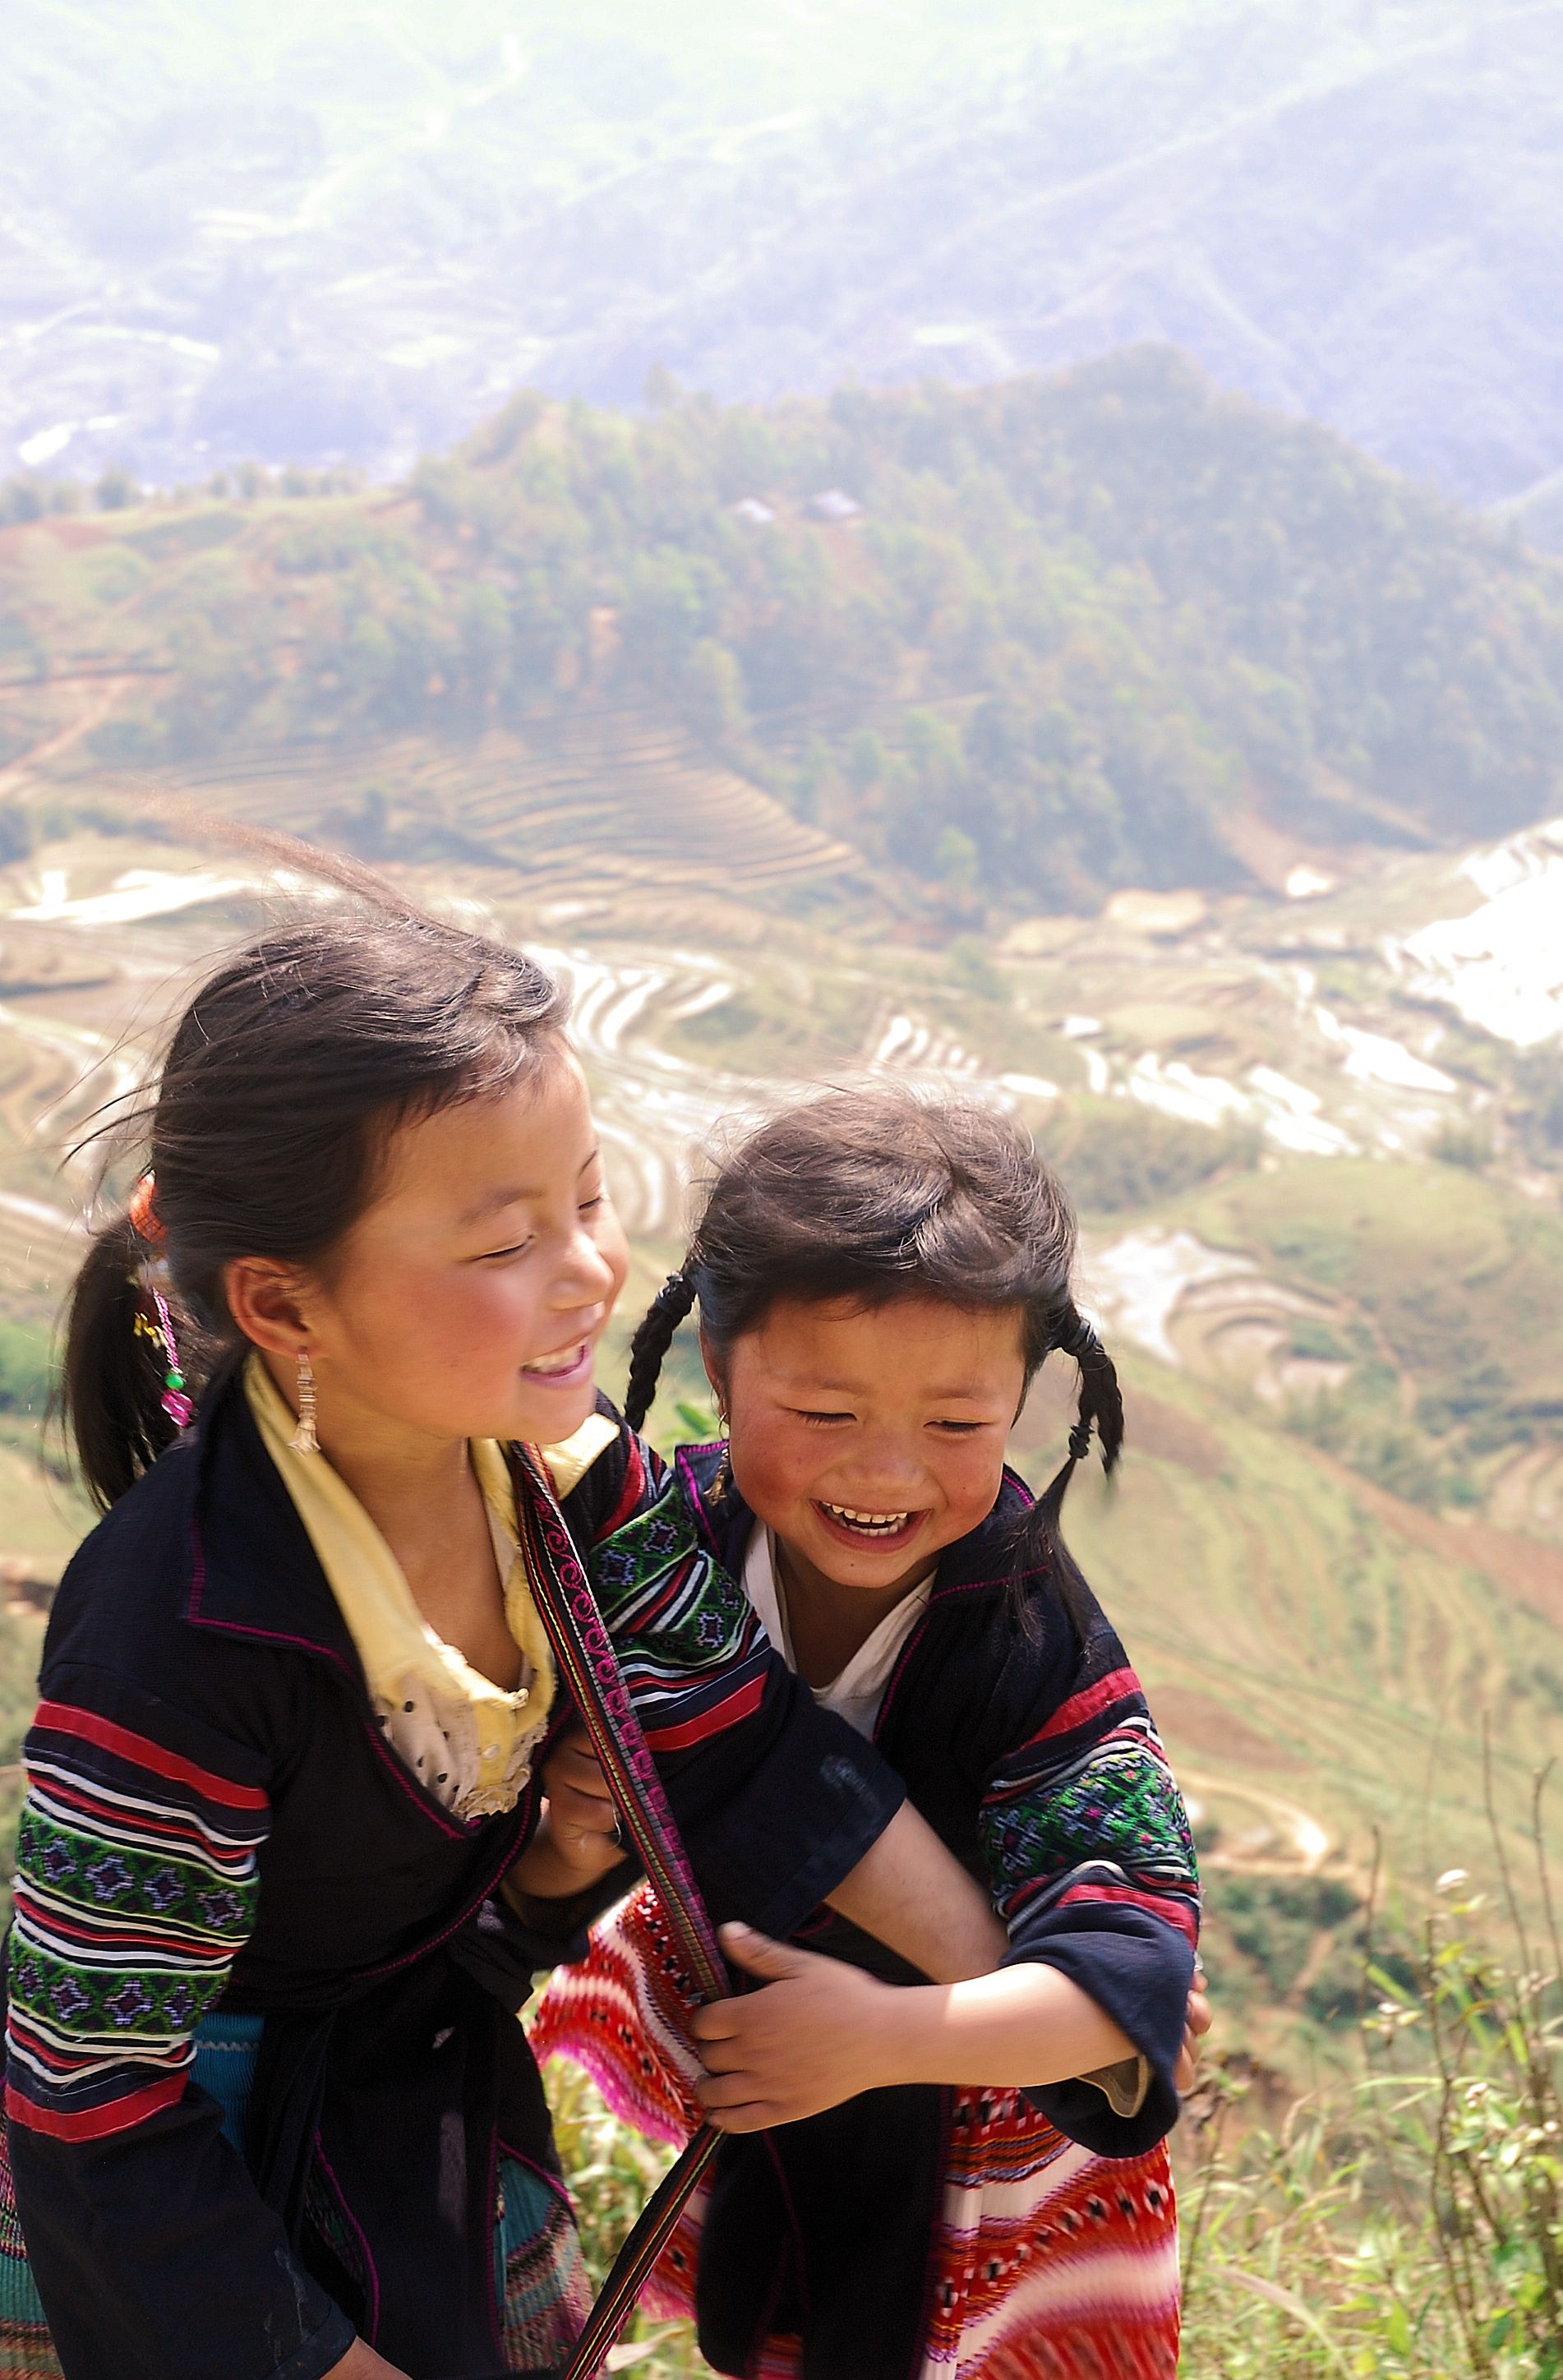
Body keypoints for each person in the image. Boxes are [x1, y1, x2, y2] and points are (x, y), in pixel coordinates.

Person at [0, 915, 1011, 2380]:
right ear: (283, 1302)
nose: (589, 1271)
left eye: (588, 1199)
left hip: (413, 2101)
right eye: (504, 1243)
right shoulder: (182, 1631)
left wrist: (1024, 1996)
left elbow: (743, 1733)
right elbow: (88, 2091)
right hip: (177, 2220)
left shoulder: (569, 1480)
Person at [533, 1086, 1204, 2380]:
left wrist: (883, 2037)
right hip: (788, 2082)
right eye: (828, 1414)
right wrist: (572, 1833)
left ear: (1024, 1397)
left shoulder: (1031, 1642)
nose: (886, 1472)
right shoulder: (668, 1549)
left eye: (956, 1424)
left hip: (985, 2153)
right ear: (719, 1363)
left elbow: (1127, 1989)